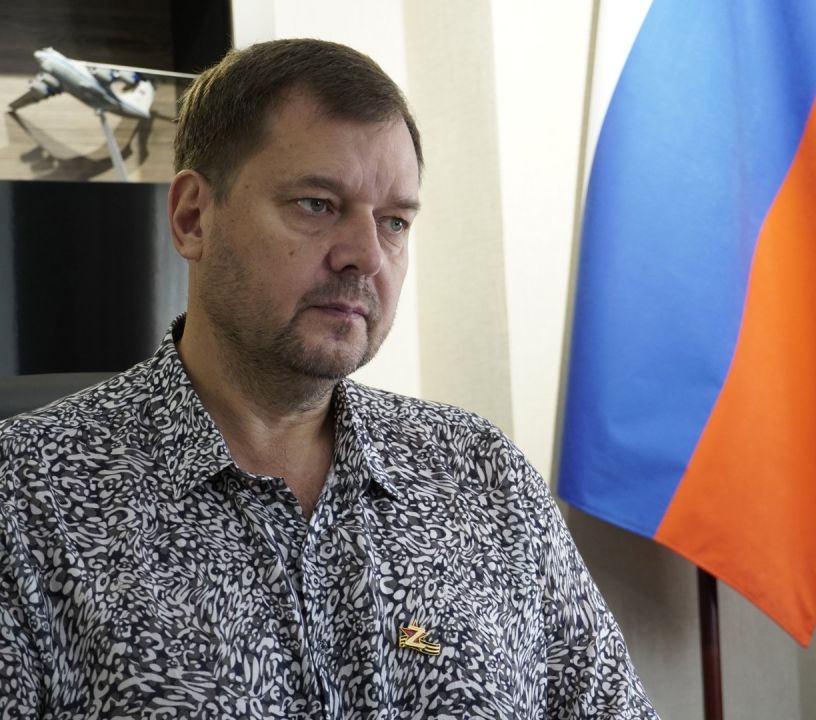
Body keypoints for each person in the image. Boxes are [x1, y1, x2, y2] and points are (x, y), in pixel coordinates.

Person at [0, 39, 659, 719]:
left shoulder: (480, 475)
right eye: (316, 204)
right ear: (193, 218)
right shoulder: (25, 497)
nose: (366, 255)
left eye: (394, 221)